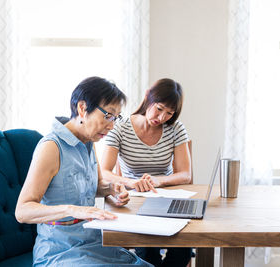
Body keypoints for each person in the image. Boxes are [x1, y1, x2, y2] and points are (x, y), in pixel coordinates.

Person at [15, 76, 152, 267]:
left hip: (93, 242)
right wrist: (73, 210)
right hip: (60, 251)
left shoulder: (89, 143)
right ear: (82, 108)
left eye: (115, 118)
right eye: (108, 115)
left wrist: (112, 190)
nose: (112, 125)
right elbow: (22, 211)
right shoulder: (51, 148)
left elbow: (96, 187)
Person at [100, 78, 192, 267]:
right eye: (159, 108)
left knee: (184, 249)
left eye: (169, 113)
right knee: (148, 251)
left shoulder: (175, 129)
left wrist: (158, 181)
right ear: (147, 97)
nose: (162, 117)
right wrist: (131, 182)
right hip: (134, 201)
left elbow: (185, 174)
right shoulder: (121, 127)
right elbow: (104, 171)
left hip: (165, 200)